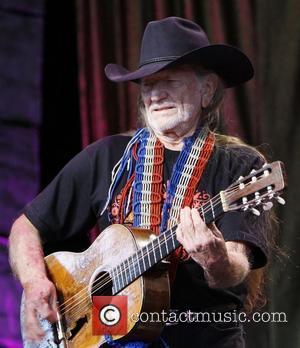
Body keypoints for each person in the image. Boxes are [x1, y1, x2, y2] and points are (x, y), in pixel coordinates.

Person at [9, 17, 271, 347]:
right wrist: (35, 283)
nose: (156, 95)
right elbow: (25, 228)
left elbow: (235, 267)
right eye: (148, 85)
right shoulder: (107, 156)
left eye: (171, 82)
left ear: (207, 91)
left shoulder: (242, 166)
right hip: (108, 334)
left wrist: (216, 261)